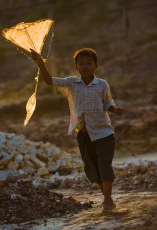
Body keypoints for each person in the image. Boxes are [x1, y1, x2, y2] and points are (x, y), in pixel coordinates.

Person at [30, 47, 123, 213]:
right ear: (76, 67)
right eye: (81, 63)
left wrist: (115, 110)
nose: (85, 66)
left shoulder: (102, 84)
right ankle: (107, 198)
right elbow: (49, 80)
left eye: (89, 63)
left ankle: (107, 201)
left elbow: (108, 103)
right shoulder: (71, 83)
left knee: (104, 164)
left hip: (104, 133)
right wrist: (40, 64)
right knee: (92, 168)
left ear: (96, 65)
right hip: (84, 134)